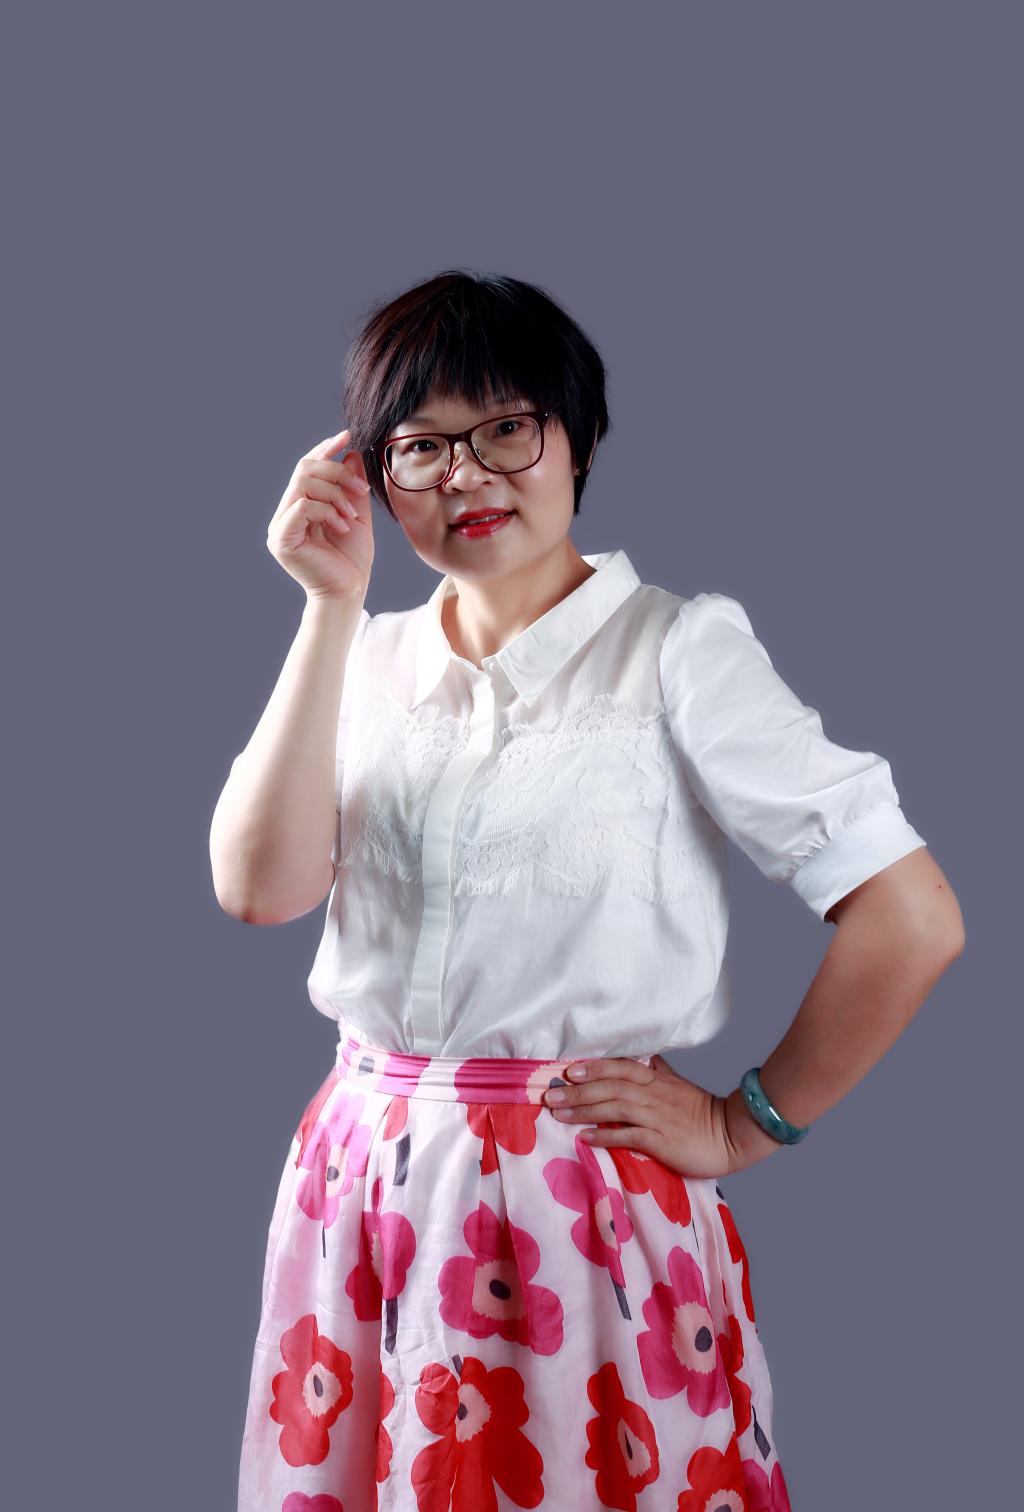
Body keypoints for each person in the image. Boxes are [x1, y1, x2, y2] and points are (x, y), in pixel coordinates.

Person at [213, 269, 965, 1511]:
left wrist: (745, 1125)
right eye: (420, 447)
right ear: (373, 473)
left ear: (578, 436)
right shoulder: (365, 655)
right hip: (361, 1188)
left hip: (576, 1202)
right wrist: (327, 607)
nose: (466, 476)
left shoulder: (674, 651)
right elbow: (259, 888)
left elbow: (911, 914)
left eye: (505, 428)